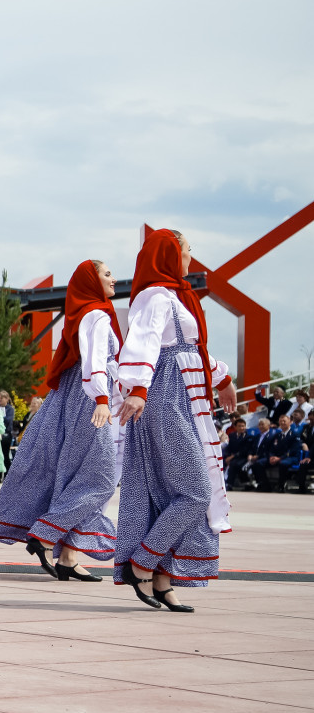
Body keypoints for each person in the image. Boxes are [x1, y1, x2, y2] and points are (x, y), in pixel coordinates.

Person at [117, 229, 236, 612]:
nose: (190, 258)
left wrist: (222, 378)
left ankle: (162, 579)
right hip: (165, 396)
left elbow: (191, 350)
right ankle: (142, 563)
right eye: (186, 251)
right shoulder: (155, 296)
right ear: (170, 254)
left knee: (177, 491)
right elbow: (145, 341)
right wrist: (138, 388)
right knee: (197, 491)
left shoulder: (178, 296)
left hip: (185, 397)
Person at [0, 259, 123, 581]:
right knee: (101, 478)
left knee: (75, 477)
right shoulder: (97, 315)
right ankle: (45, 534)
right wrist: (102, 399)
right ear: (91, 282)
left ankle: (68, 557)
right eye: (106, 274)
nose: (114, 278)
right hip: (90, 399)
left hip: (74, 397)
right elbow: (94, 363)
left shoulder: (83, 313)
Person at [0, 389, 17, 474]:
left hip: (6, 434)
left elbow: (8, 420)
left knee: (5, 454)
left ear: (7, 399)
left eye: (2, 398)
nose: (0, 400)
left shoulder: (10, 409)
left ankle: (7, 474)